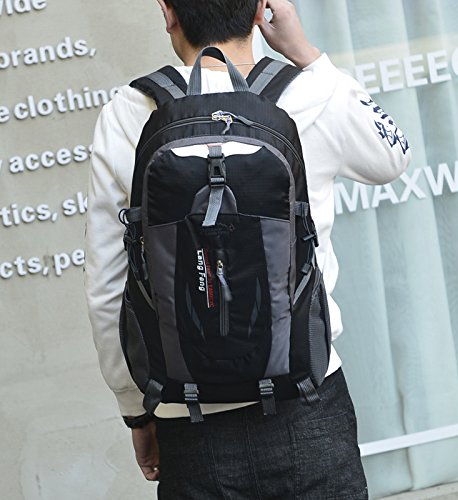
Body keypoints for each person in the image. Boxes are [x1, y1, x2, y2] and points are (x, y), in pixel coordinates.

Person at [85, 0, 411, 498]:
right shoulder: (309, 93)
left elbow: (108, 287)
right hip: (307, 401)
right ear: (262, 9)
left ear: (168, 12)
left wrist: (136, 411)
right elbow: (392, 155)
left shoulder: (128, 112)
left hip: (187, 417)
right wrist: (308, 56)